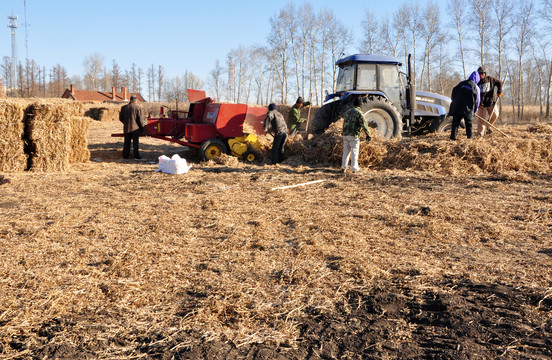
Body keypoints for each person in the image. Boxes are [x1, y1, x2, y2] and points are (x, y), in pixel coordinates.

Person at [449, 71, 480, 140]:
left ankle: (452, 138)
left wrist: (454, 102)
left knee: (455, 124)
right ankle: (470, 138)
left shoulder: (461, 83)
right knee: (469, 124)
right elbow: (477, 100)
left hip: (457, 107)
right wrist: (475, 110)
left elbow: (454, 91)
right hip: (468, 109)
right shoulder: (475, 87)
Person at [342, 97, 371, 173]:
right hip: (353, 135)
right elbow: (364, 124)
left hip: (345, 134)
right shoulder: (359, 112)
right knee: (354, 151)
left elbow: (344, 123)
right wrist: (368, 134)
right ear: (360, 104)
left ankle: (344, 167)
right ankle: (354, 168)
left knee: (346, 151)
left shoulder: (347, 112)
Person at [476, 66, 503, 136]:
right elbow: (474, 93)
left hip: (491, 102)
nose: (481, 75)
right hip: (481, 104)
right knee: (481, 120)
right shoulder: (476, 82)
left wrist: (499, 91)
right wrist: (477, 102)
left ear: (485, 73)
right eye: (479, 73)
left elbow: (499, 82)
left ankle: (488, 126)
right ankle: (480, 134)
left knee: (495, 115)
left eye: (482, 73)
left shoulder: (490, 79)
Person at [119, 95, 145, 159]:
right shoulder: (138, 108)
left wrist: (125, 123)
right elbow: (140, 120)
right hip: (135, 129)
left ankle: (125, 155)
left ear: (130, 100)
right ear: (136, 101)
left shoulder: (123, 107)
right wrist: (142, 128)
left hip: (126, 128)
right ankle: (136, 156)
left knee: (126, 143)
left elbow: (121, 118)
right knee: (135, 144)